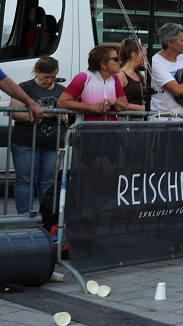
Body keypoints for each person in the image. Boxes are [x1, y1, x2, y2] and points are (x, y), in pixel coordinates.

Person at [8, 57, 64, 214]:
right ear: (37, 72)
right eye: (46, 77)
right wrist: (44, 115)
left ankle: (45, 216)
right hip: (25, 143)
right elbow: (15, 113)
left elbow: (70, 112)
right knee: (25, 181)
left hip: (52, 144)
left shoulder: (61, 90)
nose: (49, 81)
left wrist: (65, 116)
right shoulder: (25, 87)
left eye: (53, 77)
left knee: (48, 182)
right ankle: (24, 216)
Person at [60, 44, 133, 120]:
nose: (120, 62)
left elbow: (125, 106)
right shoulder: (83, 77)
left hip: (111, 129)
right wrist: (92, 107)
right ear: (103, 64)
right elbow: (62, 102)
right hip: (87, 129)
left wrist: (114, 102)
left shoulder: (114, 78)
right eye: (116, 59)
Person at [117, 38, 147, 111]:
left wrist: (147, 70)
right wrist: (142, 108)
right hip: (127, 119)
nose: (145, 58)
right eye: (143, 55)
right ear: (133, 55)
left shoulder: (139, 74)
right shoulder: (121, 74)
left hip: (140, 119)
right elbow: (118, 103)